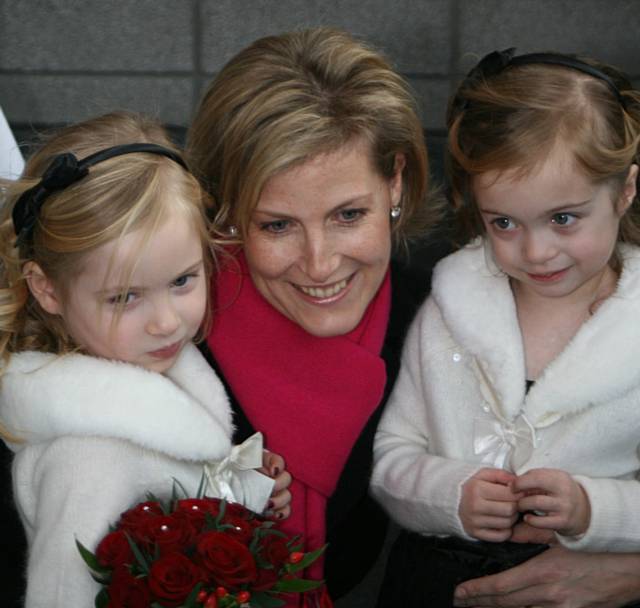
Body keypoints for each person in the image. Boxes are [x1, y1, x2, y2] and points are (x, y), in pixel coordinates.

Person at [371, 48, 640, 607]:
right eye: (505, 222)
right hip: (435, 579)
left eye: (564, 218)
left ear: (625, 190)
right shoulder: (450, 307)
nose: (537, 251)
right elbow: (393, 454)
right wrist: (452, 495)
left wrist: (595, 508)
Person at [186, 27, 441, 604]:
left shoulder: (445, 321)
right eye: (277, 225)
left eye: (348, 214)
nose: (320, 264)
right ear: (225, 209)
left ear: (395, 181)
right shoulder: (167, 333)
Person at [0, 111, 291, 608]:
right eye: (124, 298)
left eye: (182, 281)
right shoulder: (87, 458)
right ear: (46, 288)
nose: (166, 322)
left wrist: (242, 493)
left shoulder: (156, 369)